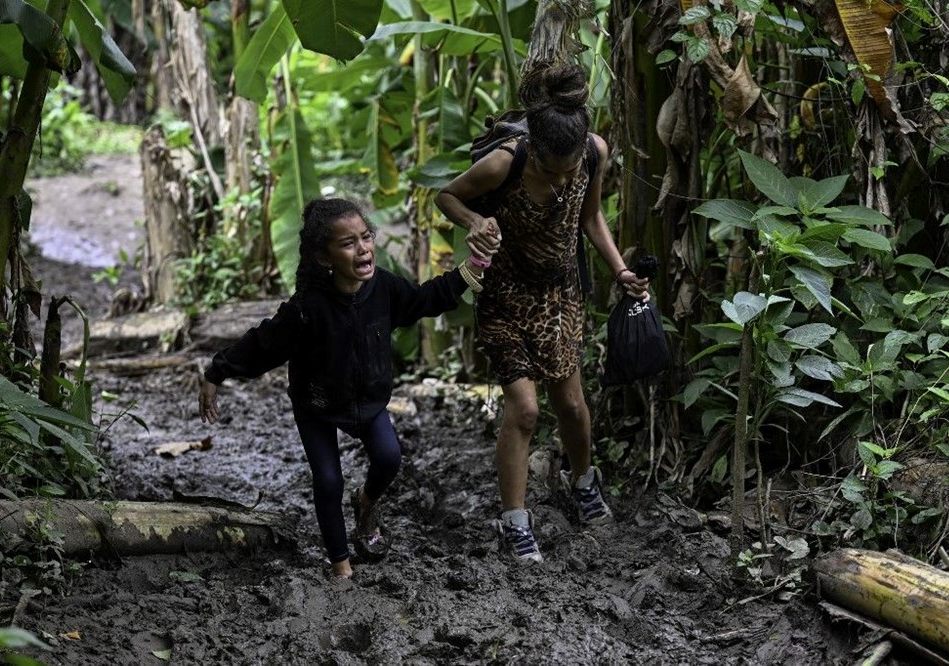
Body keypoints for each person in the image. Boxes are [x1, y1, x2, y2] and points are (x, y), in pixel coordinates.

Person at [198, 197, 500, 579]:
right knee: (327, 480)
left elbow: (425, 299)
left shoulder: (385, 289)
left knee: (389, 458)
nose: (363, 248)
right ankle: (341, 566)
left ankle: (366, 502)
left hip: (368, 401)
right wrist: (216, 372)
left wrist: (473, 267)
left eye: (366, 237)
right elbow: (264, 343)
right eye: (348, 243)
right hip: (317, 403)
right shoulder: (308, 307)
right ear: (325, 258)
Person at [435, 64, 650, 563]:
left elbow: (591, 215)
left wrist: (619, 272)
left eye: (568, 169)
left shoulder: (593, 153)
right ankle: (515, 522)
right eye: (550, 170)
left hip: (560, 295)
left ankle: (583, 482)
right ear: (536, 151)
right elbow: (446, 195)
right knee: (526, 409)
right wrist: (474, 220)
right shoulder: (505, 161)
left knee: (572, 405)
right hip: (504, 295)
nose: (561, 179)